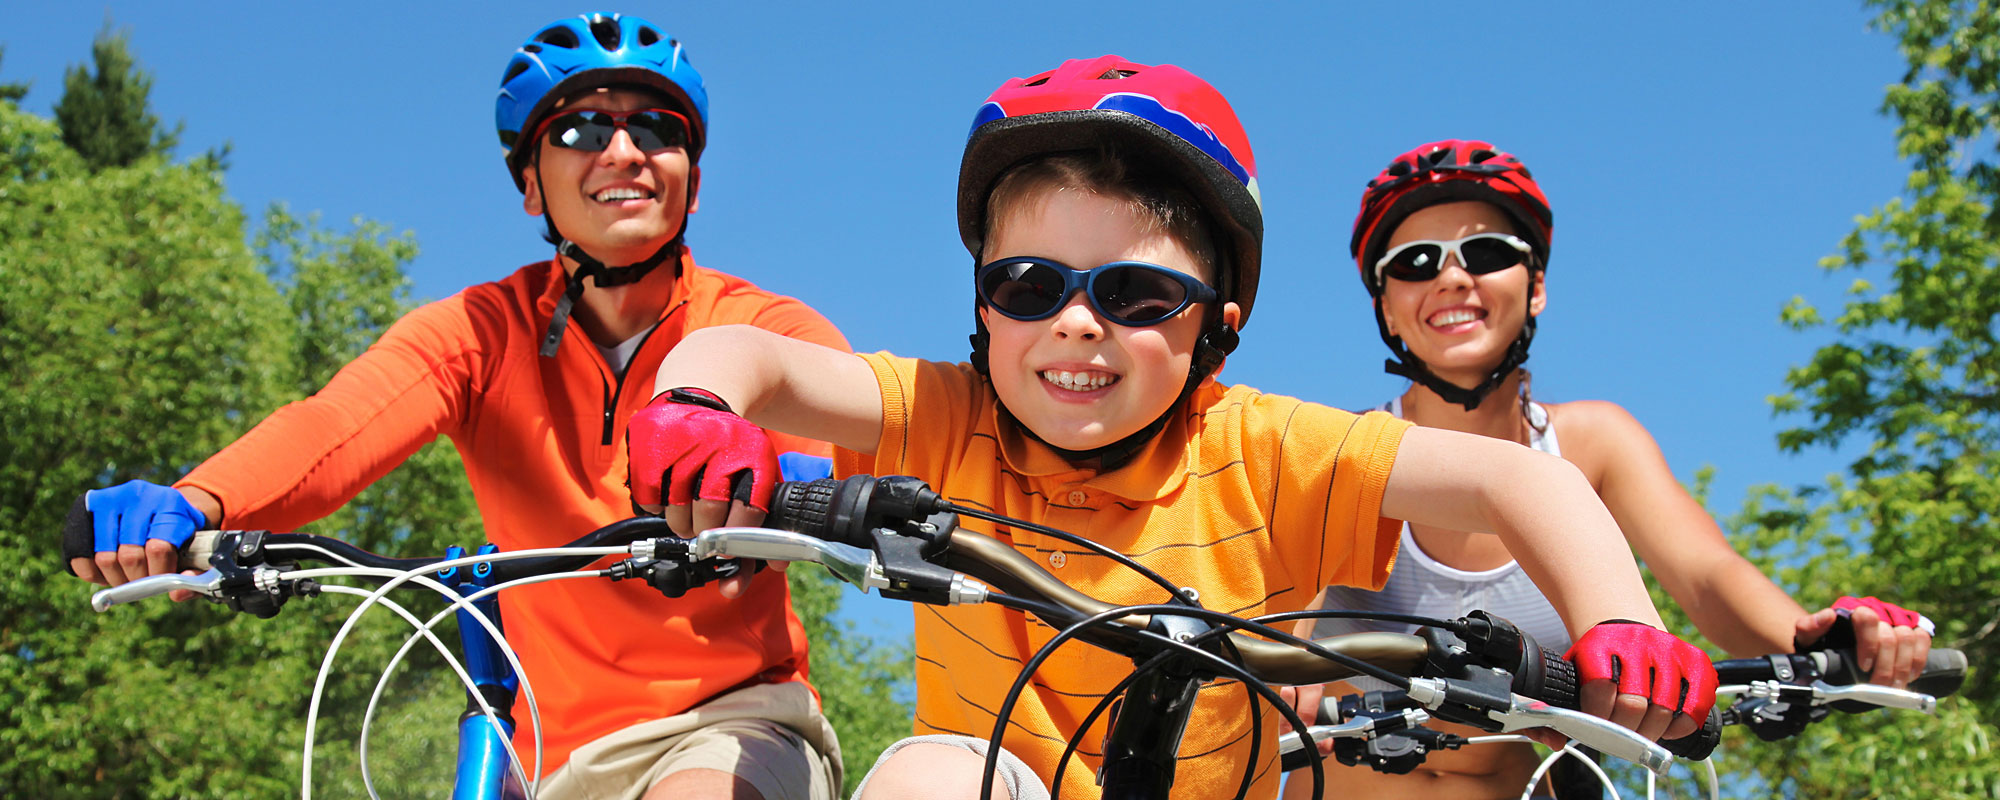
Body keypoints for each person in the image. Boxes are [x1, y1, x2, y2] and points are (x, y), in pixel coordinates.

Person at [624, 58, 1717, 800]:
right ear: (980, 305)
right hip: (996, 772)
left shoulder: (1265, 445)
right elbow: (751, 355)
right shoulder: (942, 412)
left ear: (1215, 327)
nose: (1076, 322)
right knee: (928, 777)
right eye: (1029, 283)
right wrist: (695, 404)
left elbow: (1523, 483)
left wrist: (1617, 622)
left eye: (1137, 296)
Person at [67, 12, 847, 800]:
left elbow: (867, 429)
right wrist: (199, 499)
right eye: (579, 130)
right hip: (544, 754)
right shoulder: (482, 333)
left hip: (731, 725)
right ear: (530, 184)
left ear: (695, 178)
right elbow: (338, 424)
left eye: (655, 126)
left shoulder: (755, 327)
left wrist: (797, 484)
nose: (622, 150)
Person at [1281, 139, 1935, 799]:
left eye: (1486, 253)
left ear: (1535, 288)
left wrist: (1831, 639)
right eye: (1416, 263)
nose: (1452, 278)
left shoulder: (1595, 443)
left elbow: (1708, 576)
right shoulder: (1342, 452)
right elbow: (1281, 623)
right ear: (1385, 307)